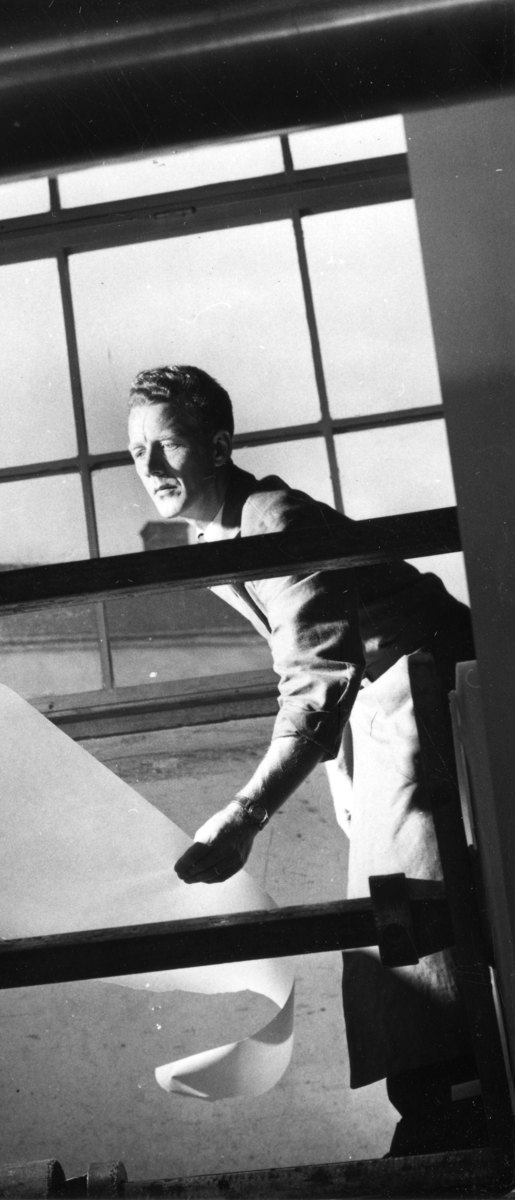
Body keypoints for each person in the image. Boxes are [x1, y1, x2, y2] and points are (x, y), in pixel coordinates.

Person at [126, 364, 484, 1156]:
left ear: (219, 445)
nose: (148, 468)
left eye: (168, 445)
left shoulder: (271, 520)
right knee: (401, 907)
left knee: (412, 903)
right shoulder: (212, 535)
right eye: (134, 451)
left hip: (435, 697)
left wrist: (245, 813)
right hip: (393, 709)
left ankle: (454, 1108)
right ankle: (442, 1103)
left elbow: (317, 676)